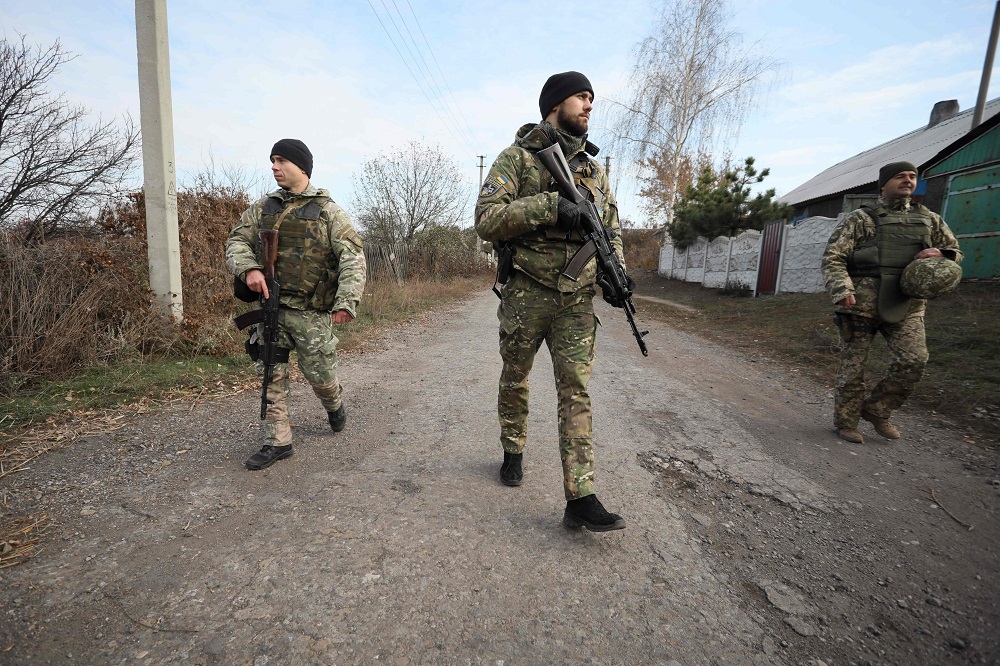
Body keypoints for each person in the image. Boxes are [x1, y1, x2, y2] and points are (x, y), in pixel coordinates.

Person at [475, 72, 627, 532]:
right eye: (582, 97)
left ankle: (580, 496)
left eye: (592, 99)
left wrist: (616, 274)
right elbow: (486, 219)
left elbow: (611, 228)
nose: (589, 106)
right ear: (555, 103)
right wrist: (550, 206)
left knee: (575, 391)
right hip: (527, 291)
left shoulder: (593, 170)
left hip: (577, 299)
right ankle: (513, 448)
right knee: (515, 377)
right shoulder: (517, 159)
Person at [226, 139, 366, 470]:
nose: (274, 167)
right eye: (272, 161)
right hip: (272, 308)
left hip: (311, 315)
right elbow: (237, 240)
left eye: (281, 161)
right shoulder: (263, 207)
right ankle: (278, 442)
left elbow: (353, 258)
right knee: (271, 375)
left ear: (301, 167)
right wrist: (249, 269)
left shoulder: (328, 212)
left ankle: (334, 404)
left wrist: (346, 302)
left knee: (320, 374)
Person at [821, 161, 962, 444]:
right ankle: (846, 423)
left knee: (914, 360)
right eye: (900, 177)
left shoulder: (930, 219)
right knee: (853, 368)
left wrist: (943, 253)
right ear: (883, 184)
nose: (908, 181)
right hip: (858, 305)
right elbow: (833, 256)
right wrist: (841, 289)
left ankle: (876, 410)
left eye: (912, 176)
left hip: (906, 304)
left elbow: (956, 252)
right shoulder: (860, 219)